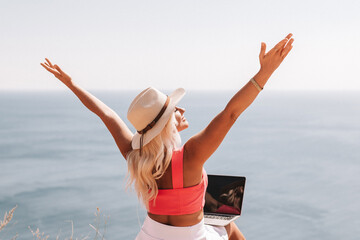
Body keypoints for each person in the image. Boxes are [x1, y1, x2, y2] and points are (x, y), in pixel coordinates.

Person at [40, 33, 294, 240]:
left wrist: (72, 84)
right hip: (192, 237)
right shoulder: (193, 154)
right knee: (227, 224)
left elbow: (106, 114)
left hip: (150, 236)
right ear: (164, 127)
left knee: (221, 218)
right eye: (174, 111)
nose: (181, 110)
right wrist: (265, 71)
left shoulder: (135, 154)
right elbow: (230, 114)